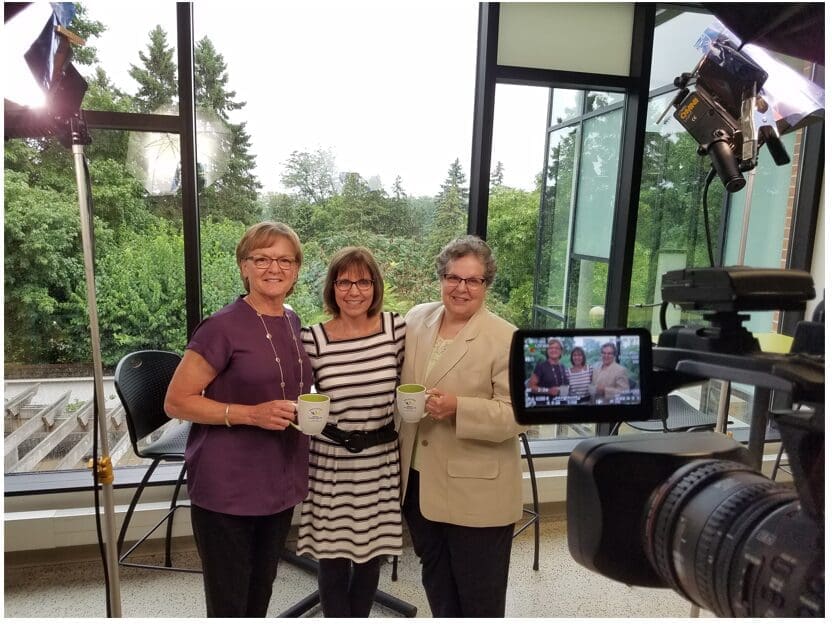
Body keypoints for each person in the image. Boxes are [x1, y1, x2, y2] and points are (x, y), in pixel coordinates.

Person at [164, 221, 313, 618]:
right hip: (228, 487)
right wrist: (251, 414)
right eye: (261, 258)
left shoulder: (292, 321)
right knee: (230, 601)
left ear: (297, 269)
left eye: (284, 259)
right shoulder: (221, 327)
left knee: (260, 590)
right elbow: (176, 402)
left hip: (278, 482)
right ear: (244, 266)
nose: (273, 268)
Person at [398, 235, 524, 618]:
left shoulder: (507, 337)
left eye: (473, 280)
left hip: (478, 490)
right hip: (419, 479)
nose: (461, 288)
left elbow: (518, 415)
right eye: (453, 277)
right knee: (437, 581)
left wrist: (458, 408)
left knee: (479, 593)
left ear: (487, 284)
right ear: (441, 278)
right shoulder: (417, 319)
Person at [297, 247, 406, 617]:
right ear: (332, 288)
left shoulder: (396, 329)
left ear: (375, 285)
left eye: (363, 281)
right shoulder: (312, 339)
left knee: (369, 557)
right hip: (331, 461)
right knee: (332, 558)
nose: (354, 290)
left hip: (379, 460)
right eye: (344, 282)